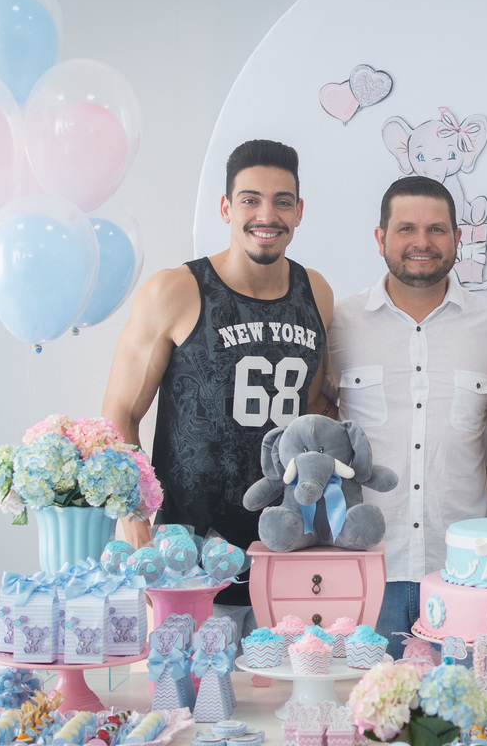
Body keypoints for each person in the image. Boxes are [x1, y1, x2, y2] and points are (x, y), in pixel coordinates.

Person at [101, 139, 333, 616]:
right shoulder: (176, 290)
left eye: (282, 201)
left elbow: (311, 409)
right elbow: (119, 413)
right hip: (187, 556)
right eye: (250, 199)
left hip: (285, 550)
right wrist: (134, 519)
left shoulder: (317, 293)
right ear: (226, 207)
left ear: (299, 211)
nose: (266, 215)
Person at [325, 176, 487, 658]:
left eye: (436, 229)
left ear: (458, 237)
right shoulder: (339, 323)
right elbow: (316, 425)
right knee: (370, 702)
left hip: (465, 573)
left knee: (464, 702)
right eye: (406, 229)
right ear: (380, 238)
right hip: (366, 569)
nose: (422, 242)